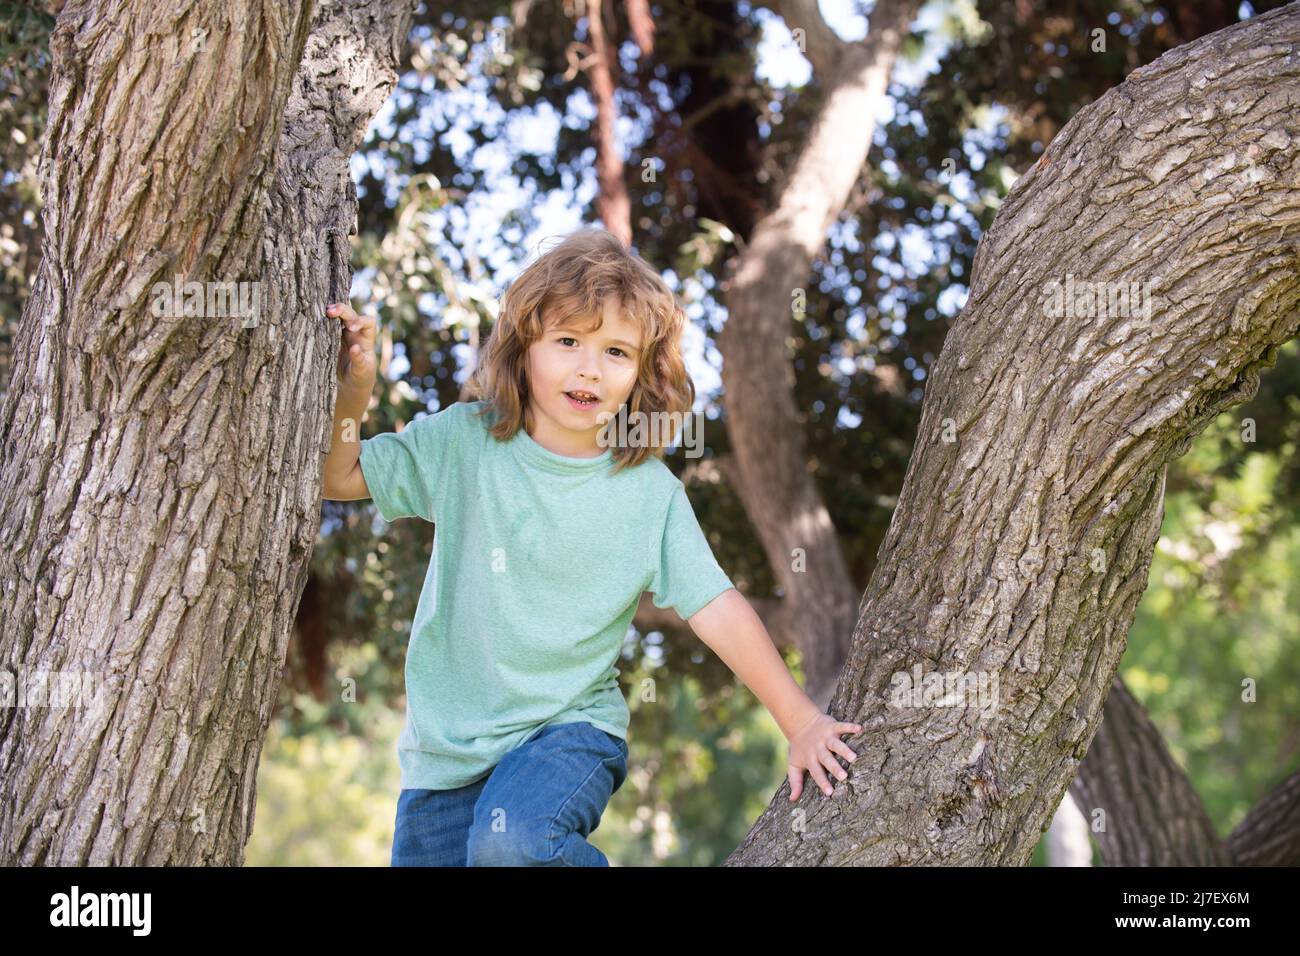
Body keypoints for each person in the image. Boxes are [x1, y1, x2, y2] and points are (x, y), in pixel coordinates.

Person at [322, 227, 863, 866]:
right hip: (443, 760)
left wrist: (801, 722)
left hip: (566, 734)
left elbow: (715, 606)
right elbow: (340, 477)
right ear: (524, 348)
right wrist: (355, 391)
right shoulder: (463, 445)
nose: (589, 367)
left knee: (510, 843)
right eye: (568, 341)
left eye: (616, 351)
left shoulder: (646, 494)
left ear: (641, 372)